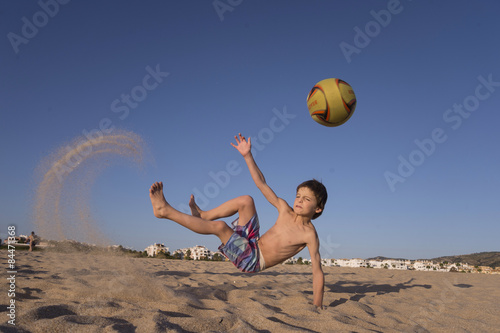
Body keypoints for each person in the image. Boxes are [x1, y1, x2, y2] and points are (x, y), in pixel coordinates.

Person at [149, 133, 328, 308]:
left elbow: (317, 271)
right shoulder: (284, 209)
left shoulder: (309, 234)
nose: (299, 201)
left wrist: (317, 305)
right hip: (253, 242)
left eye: (307, 199)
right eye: (298, 196)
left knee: (220, 227)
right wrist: (248, 155)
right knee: (246, 200)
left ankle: (165, 211)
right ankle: (202, 216)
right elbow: (262, 184)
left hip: (253, 260)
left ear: (318, 208)